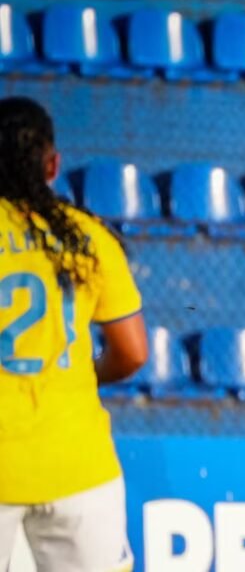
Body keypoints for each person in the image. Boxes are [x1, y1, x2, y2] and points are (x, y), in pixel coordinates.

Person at [0, 97, 147, 572]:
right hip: (78, 465)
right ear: (53, 164)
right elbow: (133, 352)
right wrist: (80, 376)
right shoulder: (88, 237)